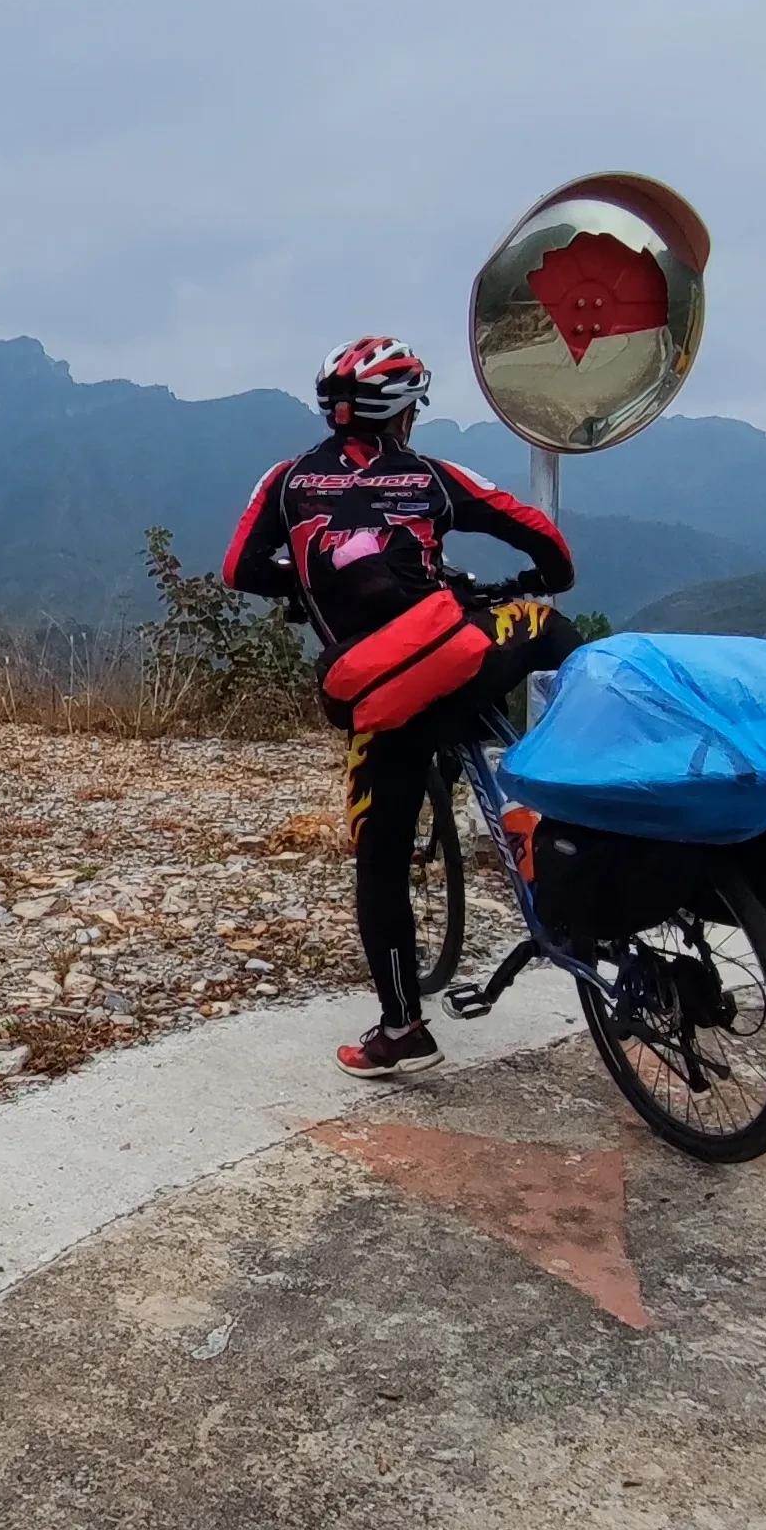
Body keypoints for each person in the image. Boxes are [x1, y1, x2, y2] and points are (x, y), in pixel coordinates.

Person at [222, 336, 577, 1077]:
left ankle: (401, 1028)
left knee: (380, 860)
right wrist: (542, 579)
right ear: (403, 415)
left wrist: (307, 588)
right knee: (556, 636)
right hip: (464, 654)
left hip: (381, 696)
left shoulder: (285, 482)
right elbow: (542, 537)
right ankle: (596, 783)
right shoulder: (431, 476)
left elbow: (240, 567)